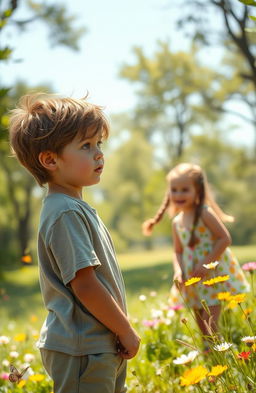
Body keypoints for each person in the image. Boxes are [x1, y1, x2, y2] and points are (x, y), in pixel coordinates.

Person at [8, 93, 140, 393]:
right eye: (86, 146)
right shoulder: (64, 212)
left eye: (99, 144)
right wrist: (125, 329)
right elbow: (85, 284)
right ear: (50, 159)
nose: (98, 154)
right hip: (83, 347)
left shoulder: (72, 207)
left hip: (97, 343)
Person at [142, 162, 249, 346]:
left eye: (184, 189)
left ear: (197, 190)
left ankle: (221, 356)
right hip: (192, 279)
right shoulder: (176, 222)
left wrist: (206, 264)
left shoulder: (204, 214)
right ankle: (210, 358)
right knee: (202, 326)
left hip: (211, 277)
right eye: (174, 190)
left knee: (212, 325)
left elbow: (224, 239)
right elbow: (178, 251)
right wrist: (178, 271)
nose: (179, 194)